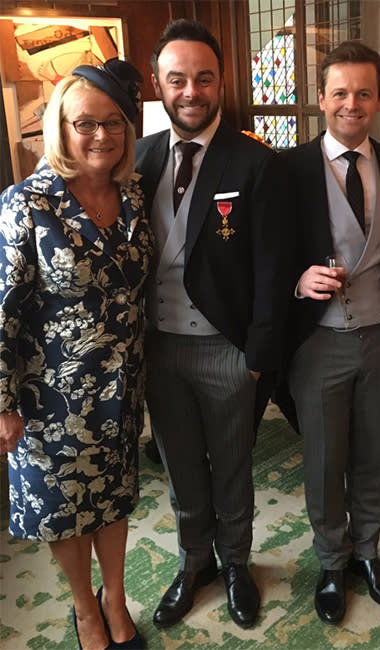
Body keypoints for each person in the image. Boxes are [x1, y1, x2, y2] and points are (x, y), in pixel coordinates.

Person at [135, 19, 291, 630]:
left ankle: (234, 565)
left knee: (231, 467)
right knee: (179, 466)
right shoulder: (140, 158)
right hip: (160, 349)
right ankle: (192, 561)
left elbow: (273, 271)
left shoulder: (255, 162)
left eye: (204, 78)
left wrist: (257, 355)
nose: (191, 91)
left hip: (228, 350)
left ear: (221, 82)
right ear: (159, 84)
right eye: (178, 79)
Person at [0, 58, 151, 649]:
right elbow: (2, 310)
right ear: (60, 126)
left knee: (112, 500)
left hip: (121, 390)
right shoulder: (26, 204)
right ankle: (85, 610)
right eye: (85, 123)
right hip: (49, 399)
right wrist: (4, 402)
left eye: (114, 123)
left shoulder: (133, 197)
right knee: (65, 510)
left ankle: (116, 599)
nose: (101, 136)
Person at [276, 41, 380, 625]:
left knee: (373, 457)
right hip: (319, 340)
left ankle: (367, 554)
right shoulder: (285, 170)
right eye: (340, 93)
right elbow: (264, 257)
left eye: (363, 93)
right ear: (320, 99)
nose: (351, 104)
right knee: (324, 459)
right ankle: (331, 563)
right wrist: (295, 279)